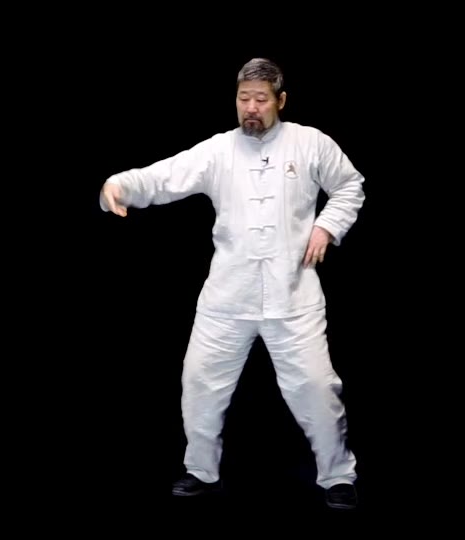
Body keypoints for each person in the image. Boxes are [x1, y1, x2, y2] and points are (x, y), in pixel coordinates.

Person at [98, 58, 364, 510]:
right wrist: (118, 186)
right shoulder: (218, 150)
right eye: (244, 99)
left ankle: (338, 476)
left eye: (261, 99)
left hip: (294, 294)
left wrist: (326, 227)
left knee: (318, 389)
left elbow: (350, 185)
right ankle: (200, 471)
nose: (251, 108)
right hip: (227, 295)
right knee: (199, 382)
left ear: (281, 100)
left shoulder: (310, 143)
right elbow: (165, 175)